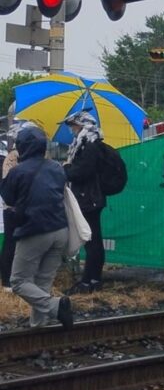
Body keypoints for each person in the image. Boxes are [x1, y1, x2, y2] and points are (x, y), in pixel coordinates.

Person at [0, 125, 74, 329]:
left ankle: (55, 306)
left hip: (34, 231)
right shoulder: (57, 168)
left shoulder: (17, 171)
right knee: (42, 281)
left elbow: (7, 197)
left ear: (22, 147)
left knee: (18, 281)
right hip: (60, 230)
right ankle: (39, 326)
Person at [61, 111, 107, 294]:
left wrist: (66, 169)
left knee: (91, 239)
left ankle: (90, 279)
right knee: (93, 238)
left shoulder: (89, 145)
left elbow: (83, 172)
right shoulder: (87, 143)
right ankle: (92, 278)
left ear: (82, 125)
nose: (72, 130)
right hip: (89, 197)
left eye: (73, 125)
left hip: (89, 198)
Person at [0, 125, 21, 291]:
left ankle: (9, 279)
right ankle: (7, 279)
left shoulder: (11, 157)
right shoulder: (12, 158)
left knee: (11, 241)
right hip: (12, 206)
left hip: (11, 206)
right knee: (11, 242)